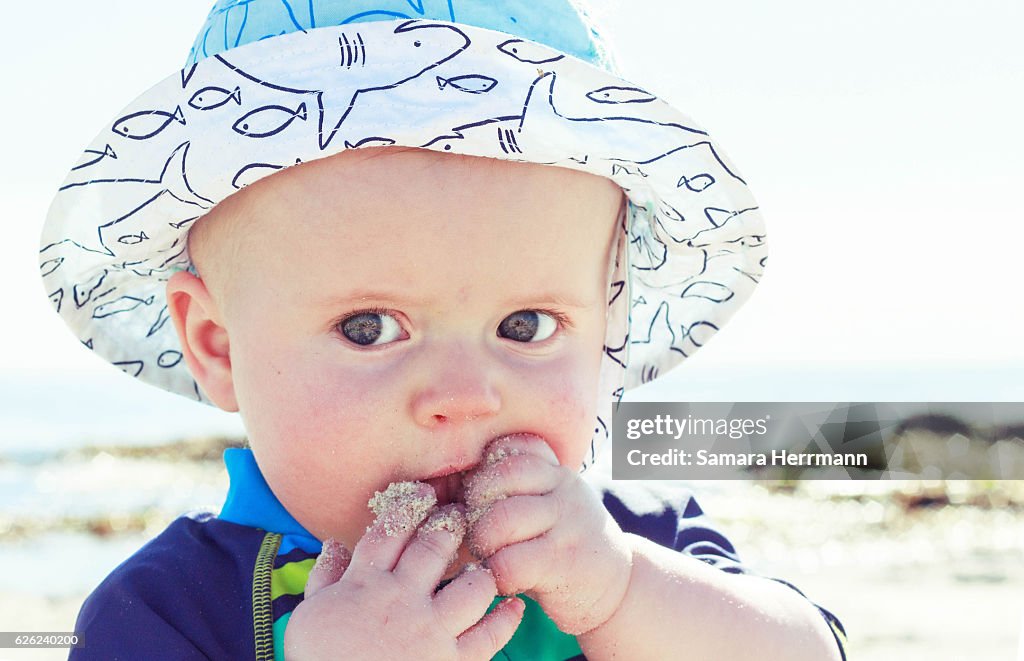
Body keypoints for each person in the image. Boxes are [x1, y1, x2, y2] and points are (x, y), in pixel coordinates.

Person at [40, 1, 847, 658]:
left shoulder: (637, 541)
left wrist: (623, 593)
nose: (463, 397)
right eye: (368, 326)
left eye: (526, 324)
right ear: (218, 345)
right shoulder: (161, 613)